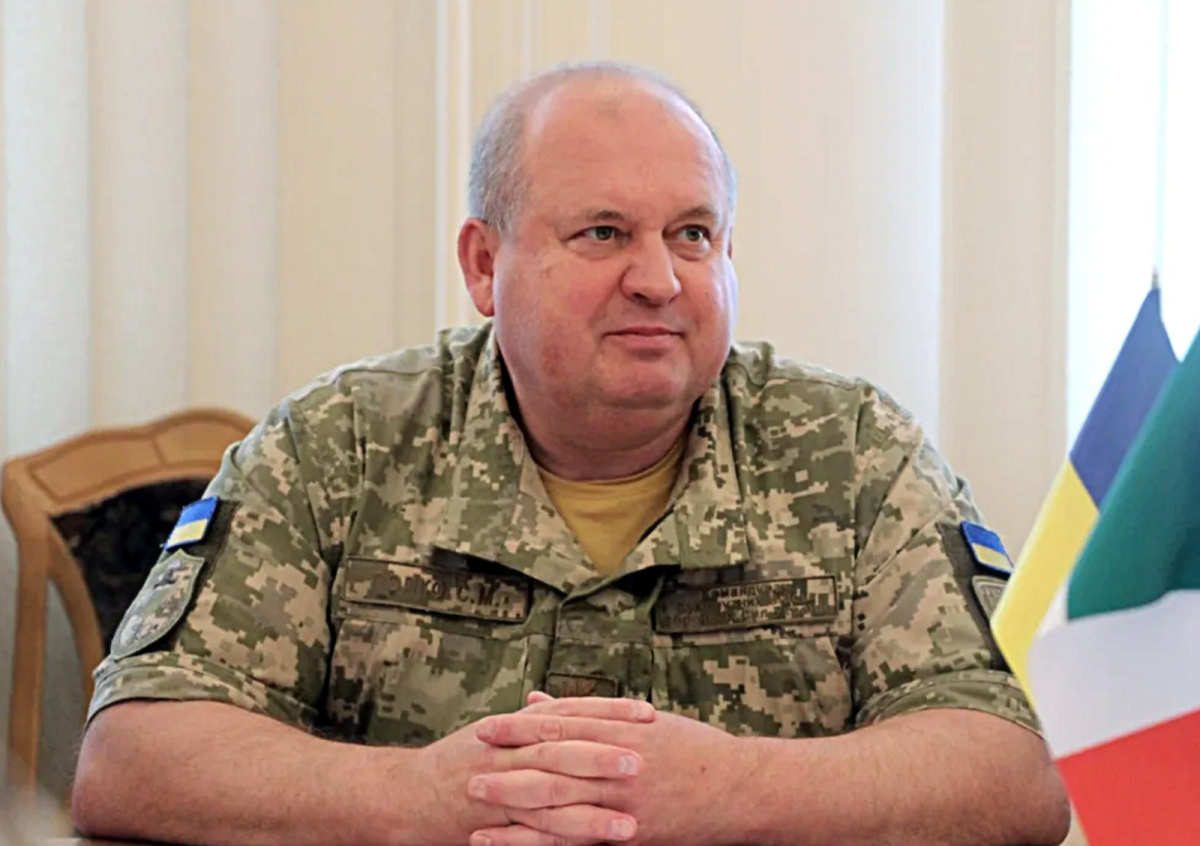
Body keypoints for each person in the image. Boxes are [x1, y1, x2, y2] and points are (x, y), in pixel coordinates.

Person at [72, 62, 1070, 846]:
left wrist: (736, 788)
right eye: (602, 232)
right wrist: (425, 795)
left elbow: (1015, 767)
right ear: (484, 265)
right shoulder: (341, 445)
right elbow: (135, 756)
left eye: (693, 234)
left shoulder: (854, 454)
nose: (658, 279)